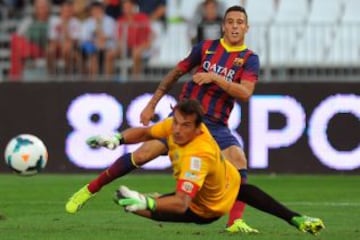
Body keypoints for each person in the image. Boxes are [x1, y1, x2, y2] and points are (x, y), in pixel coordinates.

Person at [66, 5, 258, 233]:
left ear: (247, 27)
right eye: (230, 22)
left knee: (238, 160)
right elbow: (176, 73)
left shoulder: (249, 59)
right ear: (223, 26)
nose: (235, 26)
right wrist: (152, 103)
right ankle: (90, 189)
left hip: (216, 124)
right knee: (142, 154)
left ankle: (235, 222)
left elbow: (245, 93)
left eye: (239, 22)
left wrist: (214, 77)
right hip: (185, 119)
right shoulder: (206, 49)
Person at [114, 99, 325, 235]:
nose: (177, 130)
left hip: (208, 208)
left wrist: (148, 203)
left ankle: (138, 201)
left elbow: (181, 204)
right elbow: (146, 132)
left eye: (185, 125)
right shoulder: (175, 125)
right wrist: (117, 138)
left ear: (198, 129)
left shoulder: (197, 157)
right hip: (227, 179)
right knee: (246, 191)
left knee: (148, 205)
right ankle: (296, 218)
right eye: (176, 122)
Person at [105, 0, 153, 80]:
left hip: (141, 46)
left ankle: (135, 80)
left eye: (128, 6)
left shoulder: (142, 17)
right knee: (109, 55)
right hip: (125, 47)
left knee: (136, 53)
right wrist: (121, 46)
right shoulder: (121, 20)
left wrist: (142, 47)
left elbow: (149, 35)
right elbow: (119, 37)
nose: (126, 9)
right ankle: (109, 81)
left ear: (132, 7)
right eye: (124, 7)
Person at [9, 0, 50, 80]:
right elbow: (18, 36)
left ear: (48, 8)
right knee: (16, 41)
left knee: (19, 46)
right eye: (40, 7)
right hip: (30, 48)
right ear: (36, 9)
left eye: (44, 7)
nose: (42, 10)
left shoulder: (52, 21)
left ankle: (14, 78)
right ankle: (15, 77)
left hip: (45, 48)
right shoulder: (29, 21)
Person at [79, 0, 117, 80]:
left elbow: (107, 37)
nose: (96, 11)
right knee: (93, 55)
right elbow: (85, 39)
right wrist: (96, 42)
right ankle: (93, 83)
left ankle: (108, 83)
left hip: (107, 48)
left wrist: (99, 24)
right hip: (93, 50)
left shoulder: (110, 21)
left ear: (102, 9)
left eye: (98, 9)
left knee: (109, 55)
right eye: (94, 9)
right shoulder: (86, 23)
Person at [47, 0, 82, 75]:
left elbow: (75, 41)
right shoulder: (54, 21)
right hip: (58, 47)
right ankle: (51, 75)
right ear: (61, 10)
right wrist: (61, 44)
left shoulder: (76, 22)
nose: (67, 12)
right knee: (50, 50)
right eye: (65, 10)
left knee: (68, 48)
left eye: (69, 10)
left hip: (72, 48)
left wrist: (65, 28)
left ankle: (67, 75)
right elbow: (52, 39)